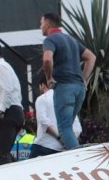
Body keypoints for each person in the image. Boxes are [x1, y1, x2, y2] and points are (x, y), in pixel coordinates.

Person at [40, 12, 96, 151]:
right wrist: (83, 78)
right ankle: (73, 156)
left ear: (47, 23)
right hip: (79, 89)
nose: (40, 26)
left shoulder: (50, 40)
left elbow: (47, 59)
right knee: (68, 128)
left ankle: (78, 161)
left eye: (41, 23)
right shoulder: (71, 40)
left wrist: (49, 78)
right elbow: (91, 57)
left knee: (64, 128)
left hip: (64, 88)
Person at [30, 74, 83, 158]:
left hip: (43, 146)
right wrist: (65, 140)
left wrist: (58, 137)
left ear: (43, 85)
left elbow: (43, 122)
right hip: (62, 151)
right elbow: (77, 128)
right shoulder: (67, 100)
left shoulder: (42, 99)